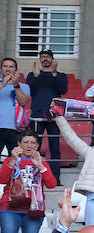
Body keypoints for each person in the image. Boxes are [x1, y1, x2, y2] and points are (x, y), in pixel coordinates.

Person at [0, 131, 57, 233]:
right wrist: (13, 160)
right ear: (19, 144)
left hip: (33, 209)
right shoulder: (9, 160)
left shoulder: (43, 163)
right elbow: (2, 180)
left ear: (37, 145)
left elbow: (52, 185)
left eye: (33, 143)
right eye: (26, 142)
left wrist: (40, 166)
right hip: (9, 208)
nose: (29, 145)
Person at [24, 51, 67, 180]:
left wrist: (54, 74)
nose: (45, 59)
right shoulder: (32, 74)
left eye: (48, 57)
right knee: (33, 148)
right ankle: (33, 177)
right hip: (36, 116)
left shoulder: (60, 75)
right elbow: (30, 91)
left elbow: (62, 90)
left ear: (52, 59)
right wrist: (36, 77)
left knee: (54, 148)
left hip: (54, 117)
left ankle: (55, 178)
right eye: (43, 57)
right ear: (40, 59)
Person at [0, 58, 30, 155]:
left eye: (11, 67)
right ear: (1, 69)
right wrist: (3, 84)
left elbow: (23, 102)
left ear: (15, 70)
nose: (8, 69)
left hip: (16, 129)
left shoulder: (24, 86)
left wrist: (16, 85)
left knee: (16, 159)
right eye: (5, 66)